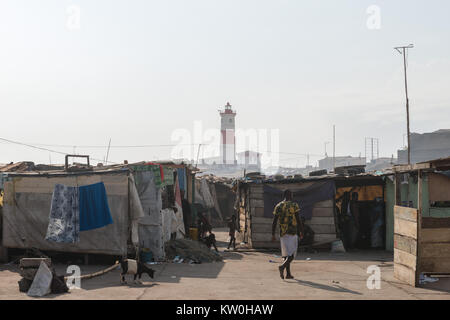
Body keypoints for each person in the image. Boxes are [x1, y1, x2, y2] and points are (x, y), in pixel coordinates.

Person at [271, 189, 304, 279]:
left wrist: (273, 234)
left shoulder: (278, 206)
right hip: (292, 232)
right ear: (290, 195)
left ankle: (288, 274)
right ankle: (282, 267)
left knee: (286, 254)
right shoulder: (294, 205)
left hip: (283, 233)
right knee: (292, 254)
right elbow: (298, 219)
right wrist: (301, 231)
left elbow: (274, 221)